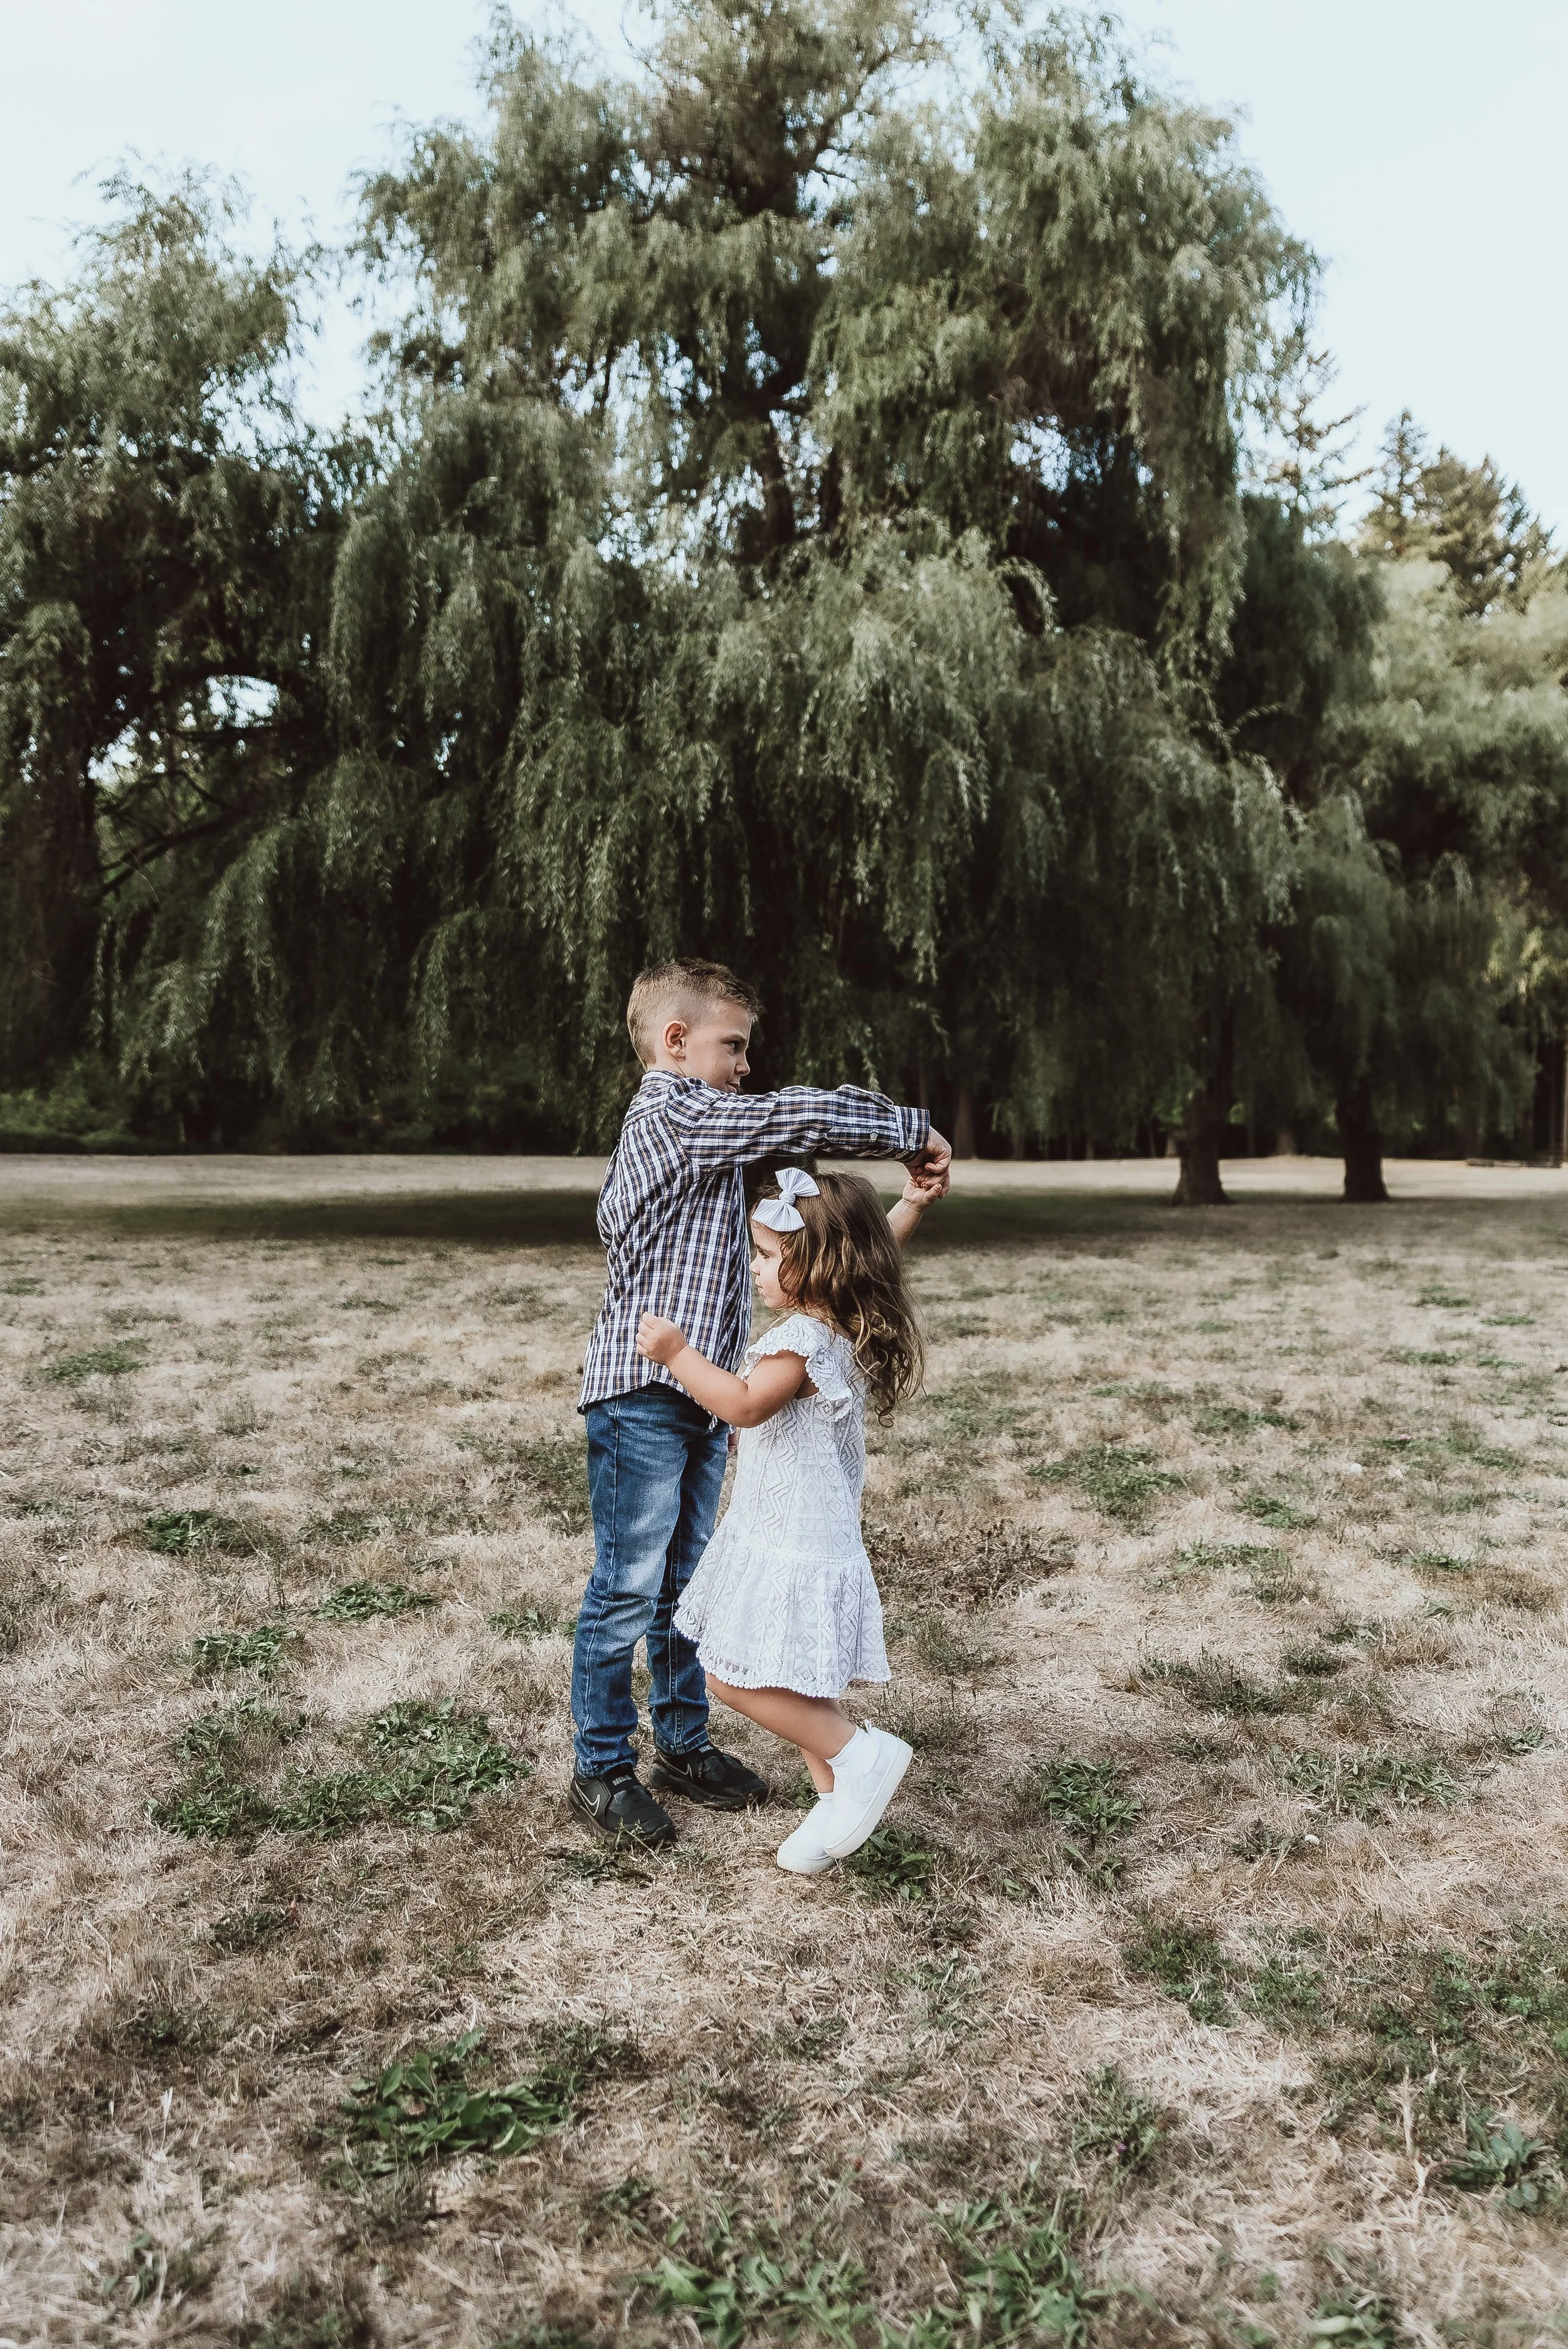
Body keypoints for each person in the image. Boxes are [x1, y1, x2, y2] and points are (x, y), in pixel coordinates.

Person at [571, 957, 951, 1848]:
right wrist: (909, 1130)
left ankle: (684, 1744)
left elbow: (823, 1261)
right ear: (675, 1041)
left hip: (697, 1394)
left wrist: (899, 1213)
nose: (745, 1066)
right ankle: (600, 1765)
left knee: (684, 1584)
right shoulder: (672, 1113)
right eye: (732, 1045)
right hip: (640, 1395)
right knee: (626, 1587)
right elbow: (793, 1116)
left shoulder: (706, 1132)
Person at [635, 1163, 936, 1875]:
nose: (756, 1267)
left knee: (730, 1675)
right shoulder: (844, 1317)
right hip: (811, 1528)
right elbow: (874, 1246)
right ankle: (834, 1803)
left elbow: (740, 1403)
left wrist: (678, 1355)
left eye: (769, 1255)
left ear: (819, 1262)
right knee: (801, 1678)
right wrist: (912, 1206)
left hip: (790, 1534)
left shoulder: (798, 1341)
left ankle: (861, 1755)